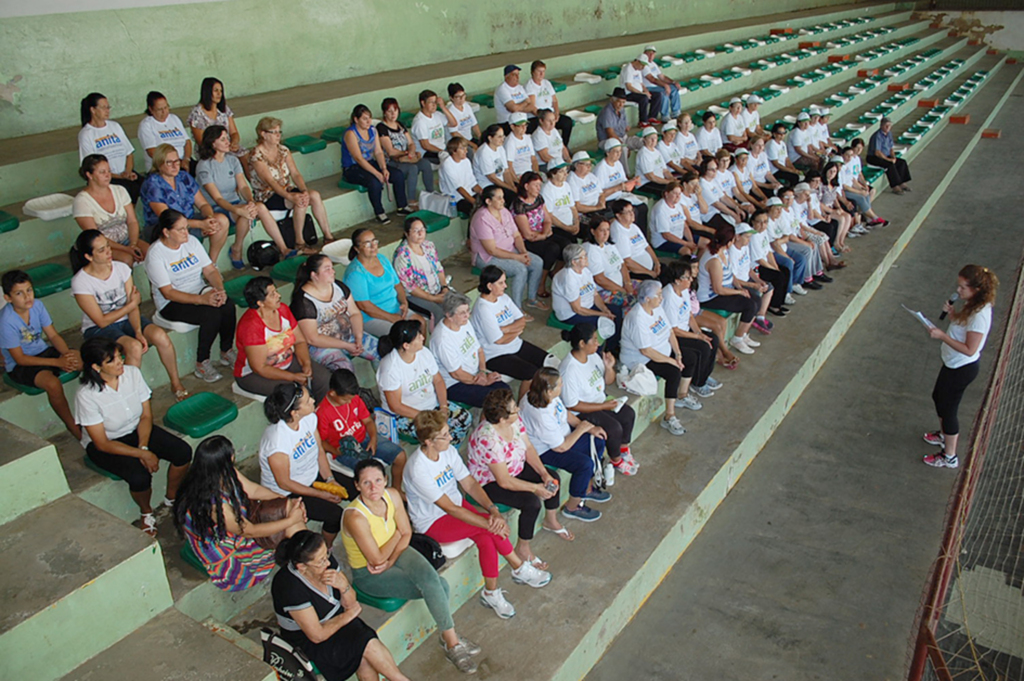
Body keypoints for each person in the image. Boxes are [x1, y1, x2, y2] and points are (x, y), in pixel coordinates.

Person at [403, 410, 551, 620]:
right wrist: (489, 522)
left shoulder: (448, 451)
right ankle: (518, 567)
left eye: (448, 432)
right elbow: (450, 509)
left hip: (456, 505)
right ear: (428, 441)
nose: (451, 438)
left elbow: (470, 483)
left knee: (487, 536)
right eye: (444, 435)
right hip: (433, 521)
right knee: (489, 529)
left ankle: (491, 592)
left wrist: (492, 510)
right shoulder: (418, 468)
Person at [342, 459, 482, 674]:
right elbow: (378, 559)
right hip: (369, 574)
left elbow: (407, 534)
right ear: (357, 485)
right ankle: (452, 643)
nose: (373, 488)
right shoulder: (355, 516)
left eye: (378, 480)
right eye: (366, 483)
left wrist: (393, 554)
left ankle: (449, 639)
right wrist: (396, 538)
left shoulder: (392, 495)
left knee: (437, 585)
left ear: (386, 479)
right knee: (439, 587)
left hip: (398, 551)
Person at [76, 337, 192, 537]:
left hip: (138, 429)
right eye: (111, 360)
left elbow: (146, 415)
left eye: (119, 356)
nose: (120, 361)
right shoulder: (86, 395)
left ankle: (172, 498)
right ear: (96, 367)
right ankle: (146, 513)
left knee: (183, 452)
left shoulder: (132, 373)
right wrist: (141, 454)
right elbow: (101, 443)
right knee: (139, 477)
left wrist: (144, 448)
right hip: (108, 443)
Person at [272, 530, 411, 681]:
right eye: (320, 561)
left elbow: (351, 603)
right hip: (307, 639)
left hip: (339, 620)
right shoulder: (289, 586)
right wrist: (349, 614)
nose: (327, 562)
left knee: (365, 646)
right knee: (362, 649)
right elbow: (317, 635)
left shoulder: (327, 562)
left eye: (326, 555)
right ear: (302, 567)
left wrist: (344, 586)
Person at [174, 435, 307, 591]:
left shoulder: (218, 471)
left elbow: (254, 490)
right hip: (229, 553)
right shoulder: (216, 506)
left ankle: (307, 557)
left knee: (289, 512)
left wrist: (290, 502)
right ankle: (306, 563)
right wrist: (291, 519)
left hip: (238, 528)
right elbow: (249, 531)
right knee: (291, 526)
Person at [71, 230, 187, 400]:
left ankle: (176, 383)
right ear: (89, 256)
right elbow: (101, 321)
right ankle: (128, 395)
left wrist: (138, 331)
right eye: (102, 250)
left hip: (126, 319)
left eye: (108, 247)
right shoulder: (81, 281)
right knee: (133, 347)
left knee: (160, 336)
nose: (109, 252)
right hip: (97, 329)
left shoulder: (121, 268)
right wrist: (131, 305)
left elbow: (133, 308)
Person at [468, 389, 568, 565]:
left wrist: (543, 474)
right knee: (531, 502)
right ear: (502, 419)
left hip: (515, 467)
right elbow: (504, 481)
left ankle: (550, 520)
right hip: (490, 482)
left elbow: (528, 448)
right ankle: (523, 548)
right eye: (515, 409)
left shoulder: (514, 422)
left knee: (551, 476)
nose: (518, 411)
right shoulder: (488, 439)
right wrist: (535, 488)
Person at [144, 209, 236, 382]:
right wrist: (202, 300)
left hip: (198, 290)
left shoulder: (191, 242)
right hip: (170, 303)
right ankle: (202, 362)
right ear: (166, 232)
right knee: (211, 313)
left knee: (227, 304)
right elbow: (168, 292)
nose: (187, 233)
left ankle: (227, 350)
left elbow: (209, 270)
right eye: (181, 229)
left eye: (187, 227)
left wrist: (219, 289)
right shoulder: (156, 254)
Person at [922, 266, 998, 469]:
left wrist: (942, 336)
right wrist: (953, 315)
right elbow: (962, 327)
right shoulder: (972, 305)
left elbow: (970, 349)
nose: (958, 290)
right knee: (938, 397)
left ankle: (949, 455)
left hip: (961, 368)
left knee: (948, 409)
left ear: (976, 289)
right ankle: (944, 434)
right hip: (951, 363)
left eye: (963, 287)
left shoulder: (980, 315)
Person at [520, 368, 609, 522]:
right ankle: (572, 507)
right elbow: (560, 448)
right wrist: (581, 429)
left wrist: (590, 428)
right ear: (549, 390)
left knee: (597, 439)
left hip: (563, 437)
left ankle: (586, 489)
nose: (562, 386)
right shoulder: (539, 414)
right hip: (546, 450)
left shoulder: (545, 395)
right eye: (560, 384)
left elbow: (565, 414)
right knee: (584, 464)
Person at [260, 383, 344, 547]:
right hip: (286, 491)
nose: (313, 400)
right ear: (295, 413)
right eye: (307, 401)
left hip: (312, 475)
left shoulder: (309, 418)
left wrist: (330, 479)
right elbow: (284, 482)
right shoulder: (277, 441)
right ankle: (326, 546)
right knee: (335, 515)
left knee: (355, 486)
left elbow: (319, 450)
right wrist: (320, 494)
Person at [1, 270, 82, 438]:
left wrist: (67, 356)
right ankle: (72, 425)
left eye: (29, 290)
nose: (27, 296)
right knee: (52, 384)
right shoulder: (6, 321)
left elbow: (52, 335)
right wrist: (58, 363)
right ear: (8, 298)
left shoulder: (37, 306)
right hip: (20, 365)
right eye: (19, 293)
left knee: (85, 359)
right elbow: (20, 358)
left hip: (43, 352)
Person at [197, 125, 283, 266]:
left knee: (258, 207)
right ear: (213, 143)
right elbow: (217, 199)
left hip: (234, 203)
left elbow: (243, 186)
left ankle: (283, 248)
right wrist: (238, 210)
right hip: (215, 208)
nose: (227, 142)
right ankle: (226, 256)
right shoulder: (204, 165)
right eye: (223, 139)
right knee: (244, 212)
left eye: (227, 138)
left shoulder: (232, 160)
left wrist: (250, 201)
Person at [377, 320, 472, 448]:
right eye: (418, 336)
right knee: (437, 432)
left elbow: (438, 381)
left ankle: (450, 452)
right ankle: (436, 456)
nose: (423, 337)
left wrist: (443, 407)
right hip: (405, 415)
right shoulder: (390, 369)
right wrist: (428, 416)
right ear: (406, 345)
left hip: (431, 406)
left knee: (464, 419)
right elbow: (396, 406)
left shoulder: (424, 353)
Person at [235, 276, 331, 402]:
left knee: (323, 378)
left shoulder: (283, 310)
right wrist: (292, 377)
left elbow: (300, 341)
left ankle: (321, 416)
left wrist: (306, 363)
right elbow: (260, 367)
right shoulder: (251, 326)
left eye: (276, 291)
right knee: (293, 393)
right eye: (272, 294)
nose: (278, 296)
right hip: (254, 375)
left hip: (287, 361)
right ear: (260, 303)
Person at [559, 324, 638, 475]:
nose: (598, 343)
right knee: (614, 428)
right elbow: (572, 405)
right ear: (582, 344)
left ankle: (623, 450)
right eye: (594, 340)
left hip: (600, 400)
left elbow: (608, 381)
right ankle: (616, 460)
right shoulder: (569, 369)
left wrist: (609, 367)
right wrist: (603, 407)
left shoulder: (593, 356)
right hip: (581, 411)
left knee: (628, 414)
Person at [620, 280, 690, 435]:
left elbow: (670, 331)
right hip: (641, 359)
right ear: (647, 299)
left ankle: (682, 395)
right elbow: (646, 351)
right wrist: (672, 361)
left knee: (689, 356)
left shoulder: (656, 308)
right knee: (673, 372)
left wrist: (677, 354)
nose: (661, 298)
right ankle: (669, 416)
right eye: (658, 295)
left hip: (660, 350)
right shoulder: (637, 318)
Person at [140, 144, 231, 262]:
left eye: (177, 161)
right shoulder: (153, 184)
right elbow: (169, 219)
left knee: (221, 221)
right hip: (163, 227)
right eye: (169, 162)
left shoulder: (183, 177)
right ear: (159, 164)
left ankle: (211, 264)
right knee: (179, 231)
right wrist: (200, 225)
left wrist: (209, 219)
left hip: (189, 219)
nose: (174, 166)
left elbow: (203, 204)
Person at [250, 116, 334, 243]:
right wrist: (290, 197)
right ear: (263, 134)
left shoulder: (283, 150)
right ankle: (300, 242)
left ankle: (328, 236)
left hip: (286, 189)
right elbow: (270, 182)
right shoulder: (256, 155)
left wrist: (304, 189)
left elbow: (295, 174)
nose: (278, 135)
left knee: (314, 195)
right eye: (274, 132)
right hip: (267, 195)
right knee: (299, 200)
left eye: (279, 132)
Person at [471, 266, 549, 399]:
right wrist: (516, 330)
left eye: (504, 281)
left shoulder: (504, 298)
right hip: (495, 354)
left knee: (548, 362)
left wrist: (505, 329)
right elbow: (499, 340)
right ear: (490, 286)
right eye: (501, 283)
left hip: (515, 344)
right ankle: (524, 406)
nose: (505, 286)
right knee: (531, 373)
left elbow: (521, 320)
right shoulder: (483, 308)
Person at [292, 254, 379, 373]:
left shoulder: (338, 286)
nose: (333, 271)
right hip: (322, 345)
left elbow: (354, 313)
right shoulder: (303, 302)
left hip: (348, 335)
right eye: (327, 269)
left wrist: (358, 337)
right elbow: (313, 338)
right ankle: (353, 392)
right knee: (345, 369)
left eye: (332, 267)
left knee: (382, 351)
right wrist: (346, 345)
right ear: (314, 275)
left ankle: (388, 389)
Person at [430, 291, 510, 408]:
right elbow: (456, 374)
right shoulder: (442, 340)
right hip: (455, 384)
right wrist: (482, 381)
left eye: (468, 311)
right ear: (449, 315)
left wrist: (483, 372)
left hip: (475, 374)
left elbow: (479, 350)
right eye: (462, 313)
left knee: (505, 391)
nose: (467, 315)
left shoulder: (464, 323)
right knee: (495, 401)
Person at [468, 185, 544, 309]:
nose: (503, 201)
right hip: (487, 257)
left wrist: (524, 253)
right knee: (520, 269)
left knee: (537, 262)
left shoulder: (504, 211)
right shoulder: (481, 218)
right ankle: (516, 308)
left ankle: (532, 298)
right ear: (488, 201)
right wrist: (518, 258)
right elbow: (491, 250)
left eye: (502, 197)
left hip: (510, 250)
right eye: (498, 198)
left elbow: (517, 235)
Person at [343, 228, 425, 338]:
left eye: (374, 241)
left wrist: (404, 302)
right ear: (357, 249)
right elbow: (365, 306)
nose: (373, 246)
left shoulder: (382, 259)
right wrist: (391, 317)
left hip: (394, 308)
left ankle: (419, 354)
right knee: (403, 335)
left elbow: (397, 285)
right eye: (367, 244)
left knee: (421, 322)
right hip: (372, 317)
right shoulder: (355, 273)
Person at [660, 260, 723, 399]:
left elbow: (689, 315)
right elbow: (674, 330)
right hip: (674, 336)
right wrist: (697, 337)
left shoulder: (684, 291)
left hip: (685, 330)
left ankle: (704, 376)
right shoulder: (669, 296)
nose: (691, 280)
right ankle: (698, 382)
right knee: (703, 347)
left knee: (713, 339)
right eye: (687, 277)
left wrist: (699, 332)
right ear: (677, 280)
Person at [316, 369, 403, 470]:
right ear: (332, 393)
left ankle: (396, 486)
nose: (349, 402)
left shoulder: (355, 398)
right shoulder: (322, 413)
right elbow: (321, 441)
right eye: (345, 400)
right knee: (370, 471)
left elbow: (368, 421)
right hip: (343, 449)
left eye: (351, 399)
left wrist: (373, 439)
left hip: (363, 437)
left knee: (400, 456)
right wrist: (335, 451)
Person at [697, 225, 761, 355]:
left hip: (725, 291)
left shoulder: (724, 251)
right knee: (749, 305)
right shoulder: (714, 260)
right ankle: (737, 339)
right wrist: (739, 292)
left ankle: (743, 335)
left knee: (756, 298)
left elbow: (731, 275)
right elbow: (718, 289)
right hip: (711, 297)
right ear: (730, 242)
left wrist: (740, 287)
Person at [74, 154, 146, 266]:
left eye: (109, 171)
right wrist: (126, 249)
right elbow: (95, 236)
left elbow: (132, 221)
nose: (108, 175)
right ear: (89, 175)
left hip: (128, 239)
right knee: (126, 259)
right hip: (102, 246)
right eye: (102, 172)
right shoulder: (82, 201)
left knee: (152, 252)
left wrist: (133, 244)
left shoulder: (120, 190)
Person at [343, 105, 410, 225]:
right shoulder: (351, 134)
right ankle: (379, 212)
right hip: (353, 168)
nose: (368, 121)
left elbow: (378, 152)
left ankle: (402, 206)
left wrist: (384, 168)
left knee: (397, 175)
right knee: (374, 182)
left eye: (369, 118)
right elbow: (358, 158)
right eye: (364, 119)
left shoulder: (373, 130)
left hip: (370, 162)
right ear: (356, 119)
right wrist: (377, 174)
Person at [551, 244, 622, 355]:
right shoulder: (568, 278)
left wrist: (604, 309)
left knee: (616, 311)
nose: (586, 258)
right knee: (600, 324)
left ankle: (612, 348)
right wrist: (602, 315)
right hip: (571, 314)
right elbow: (577, 309)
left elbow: (595, 294)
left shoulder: (585, 271)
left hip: (588, 306)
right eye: (583, 256)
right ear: (574, 262)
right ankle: (596, 355)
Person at [513, 171, 567, 300]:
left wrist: (545, 232)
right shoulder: (519, 205)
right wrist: (544, 235)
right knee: (552, 249)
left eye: (539, 185)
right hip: (527, 240)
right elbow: (527, 233)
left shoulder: (539, 199)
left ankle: (555, 273)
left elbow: (548, 219)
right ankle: (541, 284)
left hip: (541, 234)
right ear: (526, 186)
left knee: (566, 244)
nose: (539, 188)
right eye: (535, 185)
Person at [78, 92, 141, 203]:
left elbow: (129, 153)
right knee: (129, 188)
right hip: (106, 177)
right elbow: (92, 165)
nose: (107, 111)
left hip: (124, 173)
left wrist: (128, 171)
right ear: (93, 110)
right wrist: (120, 177)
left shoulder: (115, 126)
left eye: (108, 107)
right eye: (103, 107)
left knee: (146, 184)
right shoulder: (86, 134)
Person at [393, 216, 450, 327]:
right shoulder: (403, 255)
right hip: (414, 296)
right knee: (438, 312)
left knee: (458, 304)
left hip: (436, 289)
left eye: (422, 229)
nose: (420, 233)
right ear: (406, 233)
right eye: (415, 230)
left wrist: (444, 288)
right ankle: (439, 341)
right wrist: (433, 298)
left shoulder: (429, 246)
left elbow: (439, 269)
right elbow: (410, 287)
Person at [378, 97, 431, 208]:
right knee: (412, 168)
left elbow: (411, 143)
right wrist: (406, 153)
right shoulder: (381, 128)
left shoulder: (400, 125)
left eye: (395, 110)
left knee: (425, 163)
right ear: (384, 113)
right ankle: (410, 199)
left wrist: (411, 152)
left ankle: (430, 193)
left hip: (405, 156)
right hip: (392, 161)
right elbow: (390, 151)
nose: (393, 114)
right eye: (390, 111)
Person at [728, 225, 775, 335]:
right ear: (737, 236)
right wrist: (753, 285)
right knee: (755, 297)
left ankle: (760, 317)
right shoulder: (732, 251)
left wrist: (758, 281)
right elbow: (734, 278)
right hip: (739, 283)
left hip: (747, 279)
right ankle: (749, 325)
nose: (749, 240)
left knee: (769, 287)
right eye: (747, 237)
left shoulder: (745, 247)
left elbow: (748, 269)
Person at [187, 77, 247, 162]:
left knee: (246, 155)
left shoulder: (224, 109)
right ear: (207, 92)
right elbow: (202, 141)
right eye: (216, 91)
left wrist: (234, 143)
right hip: (210, 150)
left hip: (227, 146)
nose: (219, 94)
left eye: (221, 91)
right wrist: (221, 147)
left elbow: (234, 133)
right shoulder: (197, 113)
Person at [747, 210, 792, 316]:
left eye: (765, 222)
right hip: (756, 267)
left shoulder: (764, 233)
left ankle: (780, 302)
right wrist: (773, 269)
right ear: (753, 222)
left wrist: (775, 267)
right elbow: (759, 259)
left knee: (785, 270)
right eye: (759, 222)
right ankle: (773, 306)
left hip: (764, 263)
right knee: (778, 276)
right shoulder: (753, 236)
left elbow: (768, 253)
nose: (763, 225)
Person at [583, 220, 635, 309]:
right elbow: (600, 279)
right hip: (604, 291)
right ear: (593, 231)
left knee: (648, 289)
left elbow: (622, 266)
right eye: (602, 230)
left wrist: (628, 283)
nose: (605, 233)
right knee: (633, 301)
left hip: (621, 285)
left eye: (607, 230)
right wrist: (623, 290)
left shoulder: (609, 245)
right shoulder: (591, 250)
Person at [138, 91, 192, 172]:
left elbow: (187, 142)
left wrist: (186, 159)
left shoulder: (174, 119)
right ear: (151, 109)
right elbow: (152, 152)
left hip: (183, 161)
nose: (164, 112)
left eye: (166, 107)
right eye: (160, 109)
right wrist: (176, 163)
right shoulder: (146, 125)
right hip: (164, 166)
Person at [524, 60, 573, 144]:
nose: (541, 74)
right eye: (539, 71)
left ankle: (563, 146)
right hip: (537, 116)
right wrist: (545, 118)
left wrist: (556, 113)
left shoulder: (547, 83)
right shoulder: (529, 86)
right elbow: (532, 107)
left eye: (543, 71)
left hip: (550, 114)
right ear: (532, 72)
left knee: (567, 122)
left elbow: (554, 100)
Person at [610, 200, 660, 281]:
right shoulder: (619, 233)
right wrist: (649, 273)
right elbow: (627, 262)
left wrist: (657, 263)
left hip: (650, 268)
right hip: (637, 273)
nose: (632, 214)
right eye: (628, 212)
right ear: (618, 215)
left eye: (632, 210)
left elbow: (647, 246)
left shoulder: (633, 226)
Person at [567, 151, 613, 236]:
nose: (589, 167)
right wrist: (596, 208)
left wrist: (601, 203)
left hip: (597, 209)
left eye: (590, 164)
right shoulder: (572, 180)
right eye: (586, 164)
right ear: (576, 165)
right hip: (583, 214)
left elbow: (601, 194)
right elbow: (578, 206)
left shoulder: (591, 176)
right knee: (600, 226)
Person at [472, 124, 518, 205]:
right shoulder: (484, 152)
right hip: (488, 186)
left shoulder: (500, 148)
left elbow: (506, 171)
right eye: (499, 137)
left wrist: (512, 187)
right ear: (490, 138)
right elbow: (492, 178)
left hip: (500, 183)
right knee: (511, 198)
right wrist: (510, 188)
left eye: (503, 136)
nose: (502, 139)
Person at [650, 181, 696, 256]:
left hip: (679, 237)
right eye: (675, 193)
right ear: (667, 194)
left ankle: (696, 263)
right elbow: (666, 235)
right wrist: (686, 243)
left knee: (705, 242)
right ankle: (686, 266)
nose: (678, 196)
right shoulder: (660, 209)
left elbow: (685, 226)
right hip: (663, 241)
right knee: (686, 251)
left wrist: (691, 242)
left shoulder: (678, 205)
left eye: (679, 194)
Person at [411, 89, 457, 165]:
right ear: (423, 103)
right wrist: (442, 152)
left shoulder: (437, 114)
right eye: (431, 102)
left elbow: (453, 123)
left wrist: (443, 107)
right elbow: (426, 145)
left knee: (462, 151)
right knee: (451, 160)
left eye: (435, 102)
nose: (434, 105)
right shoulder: (419, 121)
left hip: (441, 149)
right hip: (427, 153)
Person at [868, 117, 912, 194]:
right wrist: (889, 160)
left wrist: (893, 157)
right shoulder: (877, 136)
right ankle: (895, 186)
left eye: (889, 125)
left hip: (886, 155)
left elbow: (891, 148)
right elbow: (877, 152)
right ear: (881, 126)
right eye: (886, 125)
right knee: (889, 165)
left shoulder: (889, 134)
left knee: (902, 162)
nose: (888, 127)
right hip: (874, 157)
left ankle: (901, 182)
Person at [541, 162, 581, 243]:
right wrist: (567, 228)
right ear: (553, 174)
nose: (566, 174)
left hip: (571, 223)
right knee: (571, 241)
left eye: (566, 171)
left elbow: (573, 207)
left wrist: (576, 223)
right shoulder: (547, 189)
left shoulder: (566, 185)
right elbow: (549, 215)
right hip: (558, 227)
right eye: (561, 171)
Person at [596, 88, 644, 155]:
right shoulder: (607, 112)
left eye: (623, 102)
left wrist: (626, 128)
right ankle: (624, 166)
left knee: (643, 142)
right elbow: (610, 134)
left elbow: (625, 128)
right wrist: (624, 145)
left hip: (623, 138)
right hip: (608, 141)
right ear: (612, 100)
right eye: (619, 102)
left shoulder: (622, 110)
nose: (621, 104)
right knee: (622, 149)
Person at [440, 137, 480, 215]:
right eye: (462, 149)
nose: (466, 151)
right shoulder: (447, 164)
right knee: (478, 212)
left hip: (469, 194)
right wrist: (476, 203)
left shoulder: (466, 161)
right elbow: (459, 189)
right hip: (456, 199)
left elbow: (473, 184)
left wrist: (485, 194)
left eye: (466, 148)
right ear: (454, 151)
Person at [640, 46, 682, 121]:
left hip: (656, 86)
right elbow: (651, 79)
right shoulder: (644, 64)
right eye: (648, 53)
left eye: (652, 54)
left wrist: (673, 82)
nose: (650, 56)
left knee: (674, 88)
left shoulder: (653, 64)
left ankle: (676, 113)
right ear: (644, 54)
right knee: (664, 91)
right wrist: (665, 85)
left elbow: (662, 77)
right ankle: (665, 115)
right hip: (648, 87)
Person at [620, 55, 662, 126]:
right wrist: (642, 93)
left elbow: (641, 83)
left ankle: (652, 117)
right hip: (628, 93)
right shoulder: (628, 69)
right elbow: (629, 87)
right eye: (642, 65)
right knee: (643, 98)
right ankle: (643, 121)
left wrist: (646, 92)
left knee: (657, 95)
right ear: (637, 61)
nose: (643, 67)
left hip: (638, 92)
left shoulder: (638, 69)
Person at [635, 127, 674, 195]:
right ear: (644, 139)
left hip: (658, 181)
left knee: (676, 188)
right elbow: (650, 177)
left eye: (655, 138)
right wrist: (668, 182)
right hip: (645, 183)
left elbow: (665, 171)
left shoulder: (657, 152)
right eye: (650, 138)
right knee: (670, 192)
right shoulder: (643, 153)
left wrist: (672, 179)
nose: (653, 140)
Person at [504, 112, 539, 179]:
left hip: (530, 172)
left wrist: (536, 174)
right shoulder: (510, 142)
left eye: (525, 125)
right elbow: (509, 165)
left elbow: (533, 159)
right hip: (519, 174)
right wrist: (517, 181)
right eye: (520, 126)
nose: (523, 128)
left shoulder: (527, 138)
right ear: (512, 127)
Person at [446, 83, 481, 149]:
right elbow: (454, 133)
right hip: (458, 143)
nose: (462, 99)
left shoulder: (466, 106)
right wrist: (472, 144)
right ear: (451, 98)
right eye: (458, 97)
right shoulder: (450, 112)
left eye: (463, 95)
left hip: (469, 139)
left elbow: (474, 125)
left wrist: (481, 138)